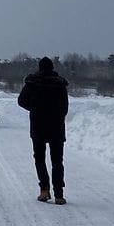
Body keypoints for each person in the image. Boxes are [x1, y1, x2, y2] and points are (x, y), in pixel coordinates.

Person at [18, 57, 69, 205]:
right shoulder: (60, 84)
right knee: (57, 161)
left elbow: (21, 101)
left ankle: (44, 190)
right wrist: (57, 116)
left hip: (38, 125)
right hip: (56, 126)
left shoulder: (33, 83)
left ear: (39, 68)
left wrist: (34, 109)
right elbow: (65, 107)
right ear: (52, 67)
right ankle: (59, 194)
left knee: (39, 158)